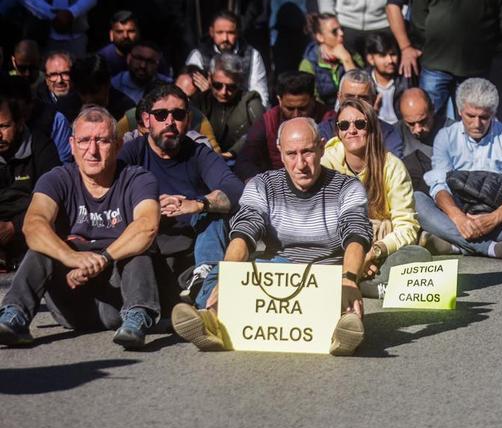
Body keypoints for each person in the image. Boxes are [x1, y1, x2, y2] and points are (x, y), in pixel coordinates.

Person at [171, 117, 371, 355]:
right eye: (291, 154)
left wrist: (349, 279)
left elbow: (356, 235)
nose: (300, 164)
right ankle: (212, 319)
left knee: (344, 297)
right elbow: (244, 233)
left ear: (322, 147)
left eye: (307, 152)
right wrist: (230, 279)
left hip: (326, 275)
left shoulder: (348, 188)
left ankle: (340, 332)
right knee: (222, 271)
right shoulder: (262, 184)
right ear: (280, 153)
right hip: (279, 270)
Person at [0, 106, 160, 349]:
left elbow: (147, 226)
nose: (92, 151)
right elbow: (33, 225)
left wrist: (103, 260)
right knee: (41, 246)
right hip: (70, 297)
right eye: (85, 140)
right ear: (72, 145)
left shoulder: (138, 179)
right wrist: (71, 257)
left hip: (118, 298)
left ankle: (138, 317)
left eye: (102, 141)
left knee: (139, 250)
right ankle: (14, 316)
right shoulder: (56, 178)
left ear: (118, 145)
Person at [117, 84, 242, 307]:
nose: (170, 122)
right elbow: (110, 195)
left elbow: (235, 189)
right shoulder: (132, 153)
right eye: (161, 114)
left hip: (191, 248)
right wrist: (150, 206)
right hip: (146, 248)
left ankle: (203, 289)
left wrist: (197, 204)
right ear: (146, 120)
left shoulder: (198, 152)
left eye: (178, 114)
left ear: (188, 119)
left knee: (213, 214)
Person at [417, 78, 502, 259]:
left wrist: (494, 218)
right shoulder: (445, 137)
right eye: (471, 116)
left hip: (498, 211)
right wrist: (459, 219)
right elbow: (439, 185)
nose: (477, 124)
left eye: (484, 117)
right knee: (417, 200)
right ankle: (492, 248)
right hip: (458, 212)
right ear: (460, 111)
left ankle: (455, 245)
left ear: (493, 113)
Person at [321, 97, 427, 299]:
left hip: (381, 245)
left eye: (360, 124)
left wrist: (374, 252)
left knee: (418, 255)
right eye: (344, 125)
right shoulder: (327, 163)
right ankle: (369, 286)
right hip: (342, 246)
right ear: (338, 132)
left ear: (372, 128)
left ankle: (351, 285)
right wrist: (355, 255)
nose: (351, 130)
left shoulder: (393, 166)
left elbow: (406, 227)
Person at [0, 86, 60, 267]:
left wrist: (14, 226)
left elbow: (54, 197)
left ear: (19, 124)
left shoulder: (40, 146)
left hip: (29, 227)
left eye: (4, 126)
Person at [234, 71, 326, 180]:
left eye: (303, 108)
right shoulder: (267, 123)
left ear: (313, 100)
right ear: (280, 101)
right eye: (290, 109)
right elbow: (245, 161)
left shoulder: (328, 119)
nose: (296, 115)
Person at [315, 69, 405, 160]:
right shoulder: (324, 131)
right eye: (349, 97)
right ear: (339, 98)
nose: (355, 103)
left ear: (373, 100)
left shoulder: (388, 133)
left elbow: (392, 166)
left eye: (363, 98)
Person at [184, 11, 270, 102]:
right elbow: (187, 92)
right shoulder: (199, 56)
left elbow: (260, 94)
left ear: (237, 33)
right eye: (220, 32)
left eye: (230, 33)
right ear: (211, 32)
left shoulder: (252, 55)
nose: (225, 38)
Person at [193, 53, 265, 158]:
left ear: (240, 82)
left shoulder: (249, 101)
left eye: (231, 87)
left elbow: (260, 130)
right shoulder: (200, 101)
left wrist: (231, 153)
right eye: (217, 85)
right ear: (209, 78)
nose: (224, 92)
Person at [300, 13, 361, 106]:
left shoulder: (352, 55)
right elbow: (310, 100)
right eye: (334, 31)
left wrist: (347, 60)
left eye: (341, 29)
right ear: (320, 37)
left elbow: (361, 90)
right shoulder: (309, 63)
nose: (341, 33)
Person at [396, 87, 436, 191]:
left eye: (423, 121)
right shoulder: (394, 134)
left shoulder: (451, 132)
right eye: (411, 124)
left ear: (432, 110)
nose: (418, 129)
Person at [364, 34, 401, 125]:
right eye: (383, 55)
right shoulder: (363, 82)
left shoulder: (407, 79)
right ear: (370, 59)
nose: (390, 60)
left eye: (393, 54)